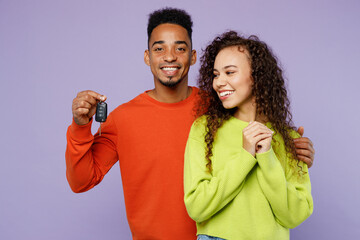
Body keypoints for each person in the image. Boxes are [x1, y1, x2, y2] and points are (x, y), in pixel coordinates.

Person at [66, 8, 315, 240]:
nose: (170, 57)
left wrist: (293, 147)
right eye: (159, 49)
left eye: (180, 48)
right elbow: (81, 181)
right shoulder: (123, 118)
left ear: (193, 56)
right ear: (147, 56)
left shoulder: (218, 108)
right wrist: (80, 126)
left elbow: (258, 126)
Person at [184, 31, 314, 240]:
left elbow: (295, 215)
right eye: (216, 74)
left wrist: (267, 157)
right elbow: (197, 206)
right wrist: (246, 155)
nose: (218, 82)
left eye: (230, 72)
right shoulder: (205, 128)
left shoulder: (288, 137)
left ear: (256, 76)